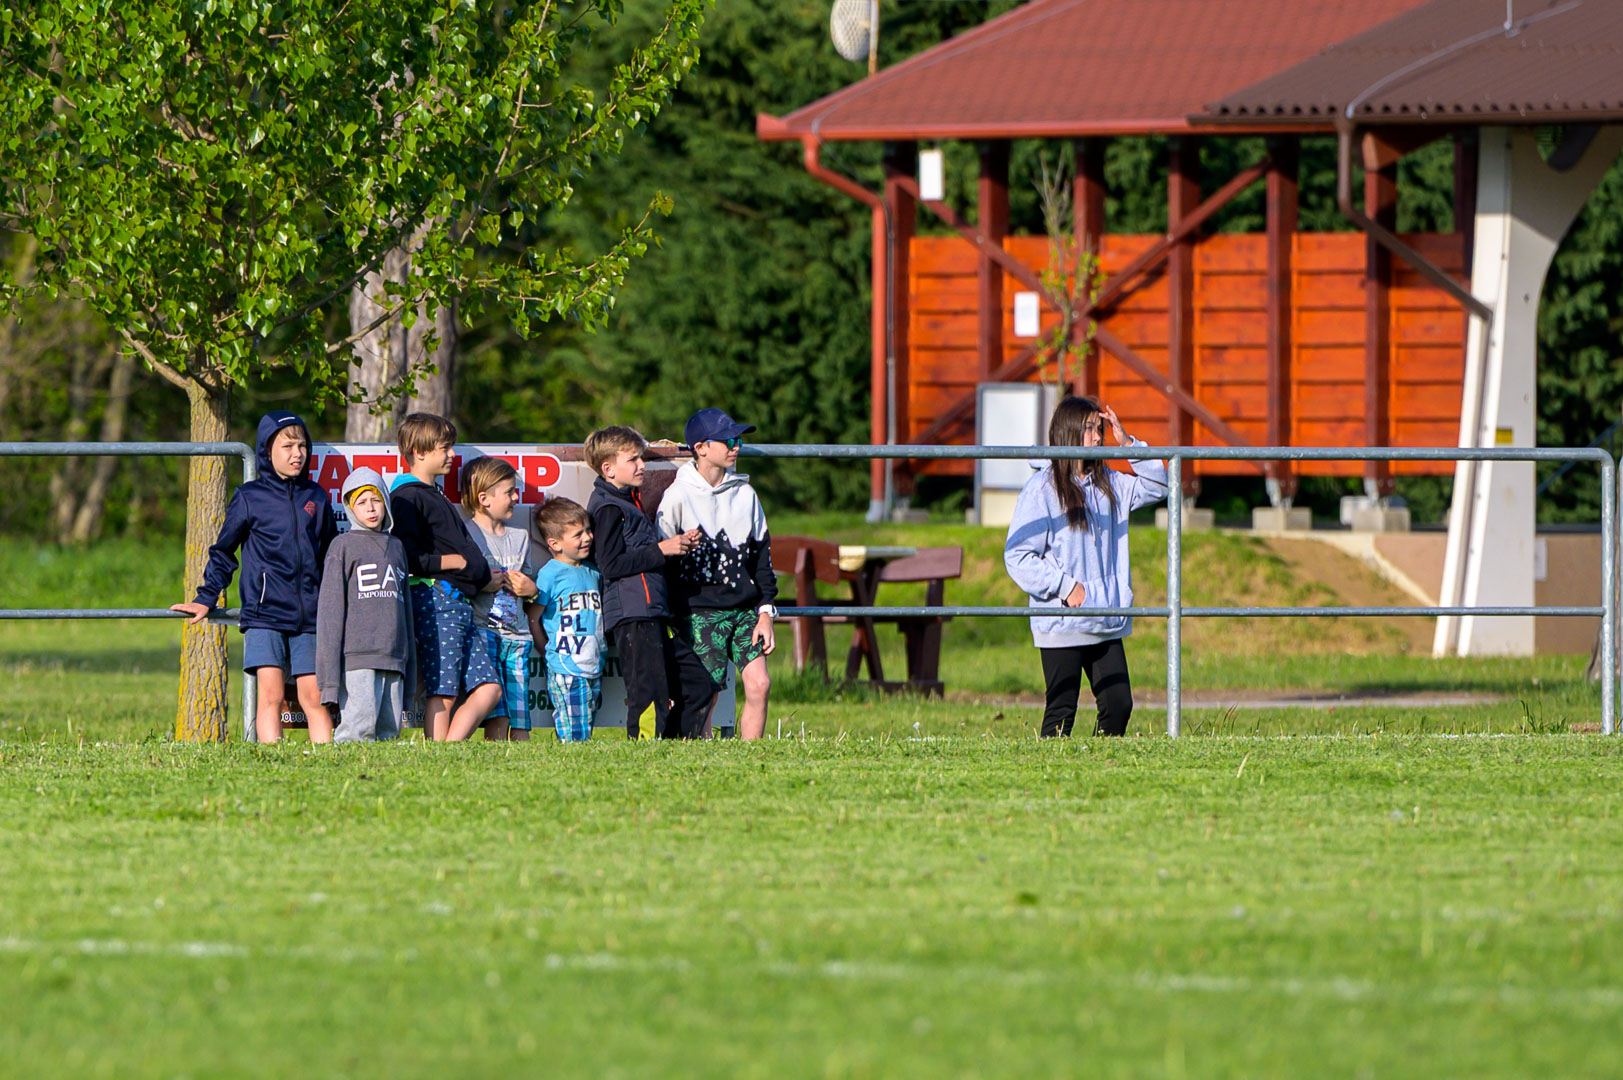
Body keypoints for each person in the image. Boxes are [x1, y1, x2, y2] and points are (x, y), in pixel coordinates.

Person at [1004, 396, 1168, 738]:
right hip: (1062, 620)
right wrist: (1066, 587)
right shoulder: (1041, 489)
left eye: (1100, 428)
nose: (1098, 436)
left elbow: (1160, 486)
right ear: (1068, 432)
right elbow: (1017, 556)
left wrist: (1129, 445)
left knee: (1119, 705)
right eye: (1089, 428)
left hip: (1104, 617)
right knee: (1061, 711)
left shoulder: (1110, 483)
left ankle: (1097, 764)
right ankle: (1050, 771)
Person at [171, 410, 337, 743]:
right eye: (287, 446)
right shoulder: (249, 497)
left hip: (310, 617)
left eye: (302, 446)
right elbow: (223, 552)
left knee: (315, 697)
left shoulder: (316, 497)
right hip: (265, 614)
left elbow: (330, 557)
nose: (297, 454)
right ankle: (270, 759)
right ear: (266, 450)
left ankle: (326, 762)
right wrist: (207, 597)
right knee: (271, 695)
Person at [656, 408, 778, 740]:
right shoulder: (677, 496)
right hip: (697, 613)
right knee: (704, 695)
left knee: (760, 683)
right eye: (728, 441)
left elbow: (762, 559)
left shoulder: (746, 495)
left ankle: (752, 758)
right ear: (700, 448)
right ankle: (704, 758)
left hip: (744, 610)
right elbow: (661, 559)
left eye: (738, 440)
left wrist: (765, 613)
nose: (735, 447)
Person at [583, 425, 710, 740]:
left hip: (652, 611)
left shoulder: (628, 501)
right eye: (633, 460)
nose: (642, 465)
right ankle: (644, 757)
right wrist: (661, 549)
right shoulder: (608, 507)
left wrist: (677, 545)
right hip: (634, 615)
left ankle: (674, 750)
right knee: (648, 696)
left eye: (642, 458)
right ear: (608, 469)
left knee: (698, 684)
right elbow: (610, 565)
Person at [388, 412, 506, 742]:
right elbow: (406, 554)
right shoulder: (407, 497)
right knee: (444, 691)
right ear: (418, 451)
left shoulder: (433, 493)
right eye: (444, 448)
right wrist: (453, 561)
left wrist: (479, 576)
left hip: (459, 604)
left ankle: (448, 750)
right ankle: (438, 754)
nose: (452, 454)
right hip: (437, 600)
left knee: (489, 688)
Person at [316, 468, 415, 742]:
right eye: (361, 502)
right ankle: (346, 769)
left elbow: (406, 613)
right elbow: (330, 614)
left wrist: (408, 664)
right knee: (357, 729)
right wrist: (329, 679)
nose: (370, 508)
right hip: (357, 657)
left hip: (394, 657)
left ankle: (378, 772)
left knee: (389, 731)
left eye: (376, 500)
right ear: (350, 508)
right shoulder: (342, 546)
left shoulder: (397, 547)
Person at [462, 455, 539, 741]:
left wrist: (530, 589)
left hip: (518, 635)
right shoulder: (466, 534)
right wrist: (483, 583)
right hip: (482, 630)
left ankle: (522, 756)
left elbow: (530, 586)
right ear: (484, 499)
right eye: (509, 492)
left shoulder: (520, 537)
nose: (516, 498)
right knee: (497, 711)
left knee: (519, 710)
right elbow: (459, 580)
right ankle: (495, 755)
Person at [530, 498, 604, 742]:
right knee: (574, 730)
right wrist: (544, 649)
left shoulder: (593, 571)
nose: (587, 538)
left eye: (588, 530)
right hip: (566, 665)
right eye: (578, 534)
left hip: (593, 662)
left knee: (587, 721)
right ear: (555, 543)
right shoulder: (549, 574)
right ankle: (573, 760)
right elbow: (534, 617)